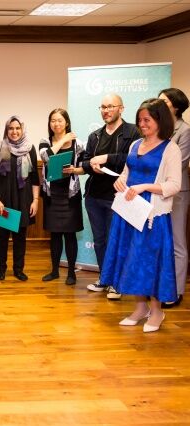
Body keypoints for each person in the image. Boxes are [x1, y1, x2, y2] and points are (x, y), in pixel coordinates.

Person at [101, 98, 181, 332]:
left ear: (160, 121)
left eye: (147, 120)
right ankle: (140, 307)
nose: (142, 124)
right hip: (129, 211)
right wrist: (120, 181)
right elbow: (127, 172)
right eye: (140, 120)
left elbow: (174, 185)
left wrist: (145, 187)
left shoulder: (170, 149)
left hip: (152, 216)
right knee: (132, 259)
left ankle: (157, 311)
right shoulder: (135, 144)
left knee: (150, 262)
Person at [82, 94, 140, 299]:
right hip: (94, 196)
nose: (106, 111)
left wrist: (107, 158)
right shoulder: (95, 136)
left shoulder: (133, 132)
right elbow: (85, 161)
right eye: (103, 107)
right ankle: (104, 278)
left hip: (118, 196)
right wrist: (92, 166)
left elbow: (133, 158)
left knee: (117, 240)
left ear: (121, 109)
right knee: (100, 241)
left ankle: (117, 283)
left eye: (110, 106)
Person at [0, 116, 40, 281]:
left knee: (20, 237)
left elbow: (35, 177)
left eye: (18, 128)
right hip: (2, 199)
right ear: (6, 130)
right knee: (1, 237)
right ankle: (0, 269)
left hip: (23, 199)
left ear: (22, 130)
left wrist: (35, 200)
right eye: (11, 128)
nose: (14, 131)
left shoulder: (30, 148)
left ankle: (18, 269)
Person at [39, 109, 85, 285]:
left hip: (70, 194)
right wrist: (63, 140)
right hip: (52, 195)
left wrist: (75, 170)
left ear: (66, 122)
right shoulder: (45, 142)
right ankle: (54, 271)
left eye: (59, 120)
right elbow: (46, 157)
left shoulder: (78, 144)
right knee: (55, 235)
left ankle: (71, 273)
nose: (56, 123)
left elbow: (84, 167)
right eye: (53, 120)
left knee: (70, 235)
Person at [158, 88, 190, 308]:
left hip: (177, 193)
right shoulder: (159, 128)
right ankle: (161, 287)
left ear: (176, 107)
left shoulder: (185, 130)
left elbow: (180, 163)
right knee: (160, 241)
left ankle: (176, 291)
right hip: (156, 191)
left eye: (164, 101)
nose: (159, 104)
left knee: (177, 242)